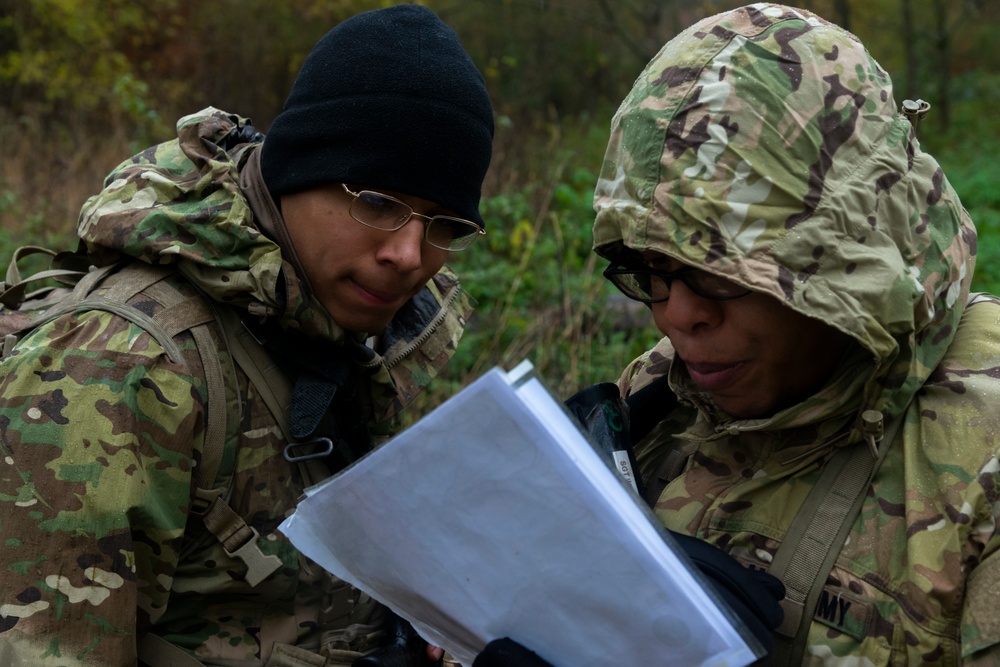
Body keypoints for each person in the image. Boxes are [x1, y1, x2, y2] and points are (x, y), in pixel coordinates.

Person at [0, 4, 493, 667]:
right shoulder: (121, 370)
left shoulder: (337, 325)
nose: (410, 254)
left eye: (445, 225)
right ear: (297, 169)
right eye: (378, 203)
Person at [589, 3, 999, 666]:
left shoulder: (985, 453)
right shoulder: (658, 398)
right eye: (654, 269)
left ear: (845, 251)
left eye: (722, 271)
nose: (677, 317)